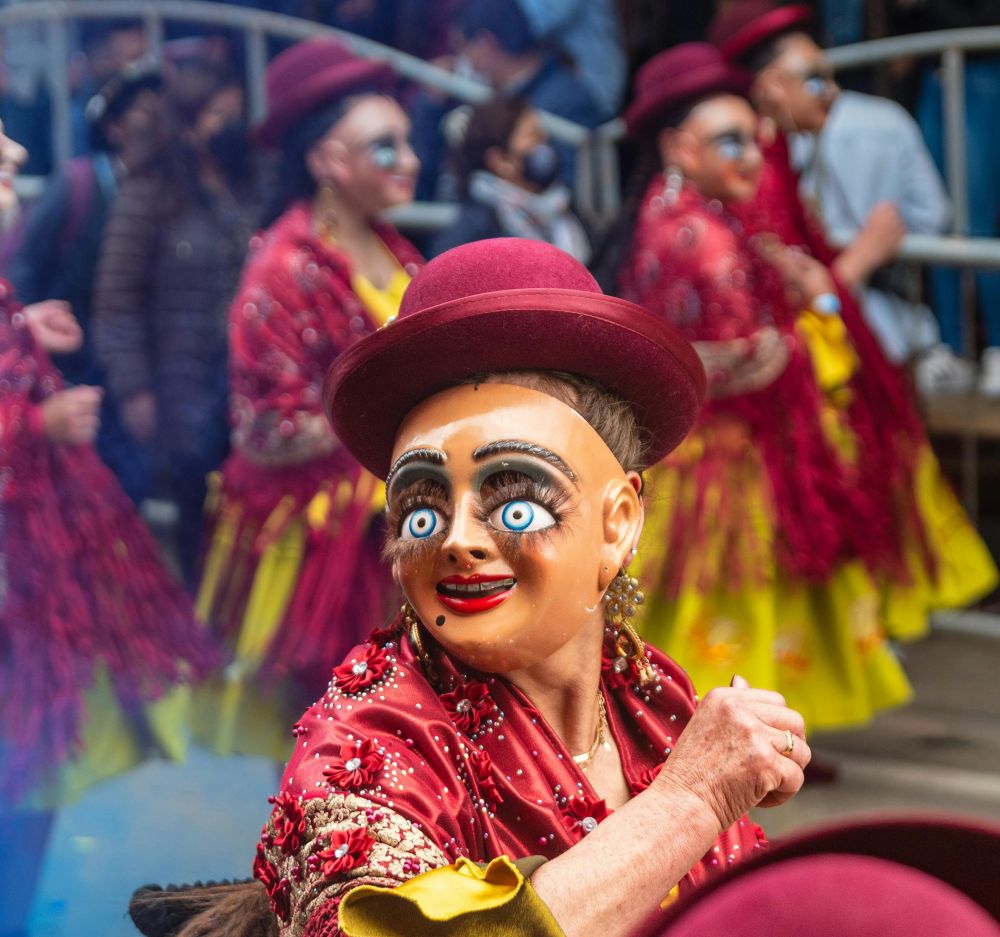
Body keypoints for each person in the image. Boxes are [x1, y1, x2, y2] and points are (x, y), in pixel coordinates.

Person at [129, 236, 812, 937]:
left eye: (515, 503)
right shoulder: (369, 742)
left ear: (618, 523)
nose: (457, 538)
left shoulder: (652, 701)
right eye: (421, 509)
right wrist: (689, 801)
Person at [612, 43, 913, 733]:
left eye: (753, 138)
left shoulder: (683, 216)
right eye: (729, 141)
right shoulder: (701, 234)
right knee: (724, 604)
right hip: (720, 455)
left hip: (700, 447)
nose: (751, 155)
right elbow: (750, 357)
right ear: (677, 146)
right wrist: (820, 310)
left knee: (710, 606)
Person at [709, 0, 997, 646]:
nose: (831, 91)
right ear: (770, 87)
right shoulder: (754, 163)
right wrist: (855, 264)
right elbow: (769, 296)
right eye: (814, 77)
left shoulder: (776, 153)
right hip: (778, 401)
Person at [0, 110, 215, 937]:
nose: (16, 151)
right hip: (16, 594)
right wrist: (34, 426)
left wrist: (23, 329)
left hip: (32, 588)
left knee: (32, 780)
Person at [193, 39, 423, 764]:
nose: (409, 160)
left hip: (398, 512)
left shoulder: (392, 246)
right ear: (327, 162)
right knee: (321, 715)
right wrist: (386, 416)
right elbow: (266, 427)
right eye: (383, 147)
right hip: (320, 537)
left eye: (406, 141)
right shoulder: (283, 266)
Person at [93, 63, 258, 586]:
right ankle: (197, 623)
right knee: (192, 507)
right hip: (181, 380)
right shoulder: (151, 193)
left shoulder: (242, 182)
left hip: (239, 378)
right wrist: (135, 390)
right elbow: (116, 300)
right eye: (215, 115)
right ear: (185, 125)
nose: (227, 125)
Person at [7, 60, 164, 503]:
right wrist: (24, 342)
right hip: (63, 365)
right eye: (144, 114)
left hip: (120, 372)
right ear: (114, 127)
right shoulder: (78, 185)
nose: (157, 126)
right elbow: (25, 266)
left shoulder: (161, 195)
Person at [791, 87, 970, 392]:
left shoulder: (785, 140)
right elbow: (933, 212)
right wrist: (870, 251)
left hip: (841, 328)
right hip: (859, 329)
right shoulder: (886, 119)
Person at [410, 0, 602, 200]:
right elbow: (427, 181)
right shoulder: (481, 102)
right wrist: (432, 106)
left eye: (462, 49)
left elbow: (578, 192)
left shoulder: (567, 102)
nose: (460, 63)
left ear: (485, 45)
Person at [429, 96, 590, 262]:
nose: (545, 147)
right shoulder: (472, 237)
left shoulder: (562, 206)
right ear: (499, 161)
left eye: (544, 137)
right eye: (533, 137)